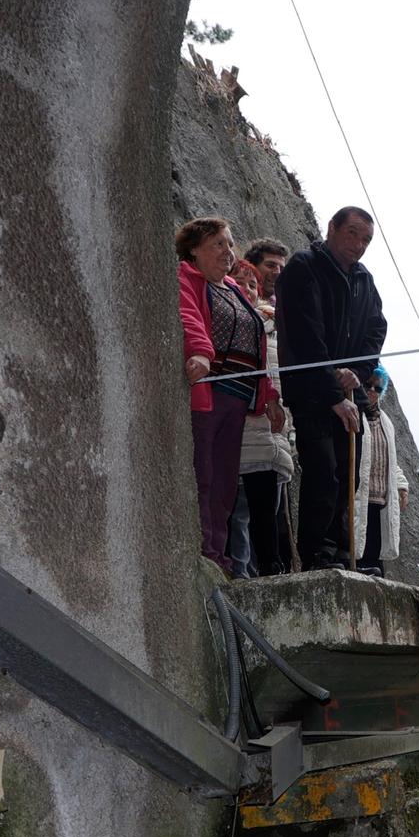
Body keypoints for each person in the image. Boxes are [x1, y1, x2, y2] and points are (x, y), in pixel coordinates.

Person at [276, 208, 387, 571]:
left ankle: (342, 552)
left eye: (366, 239)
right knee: (322, 470)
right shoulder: (304, 267)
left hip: (347, 392)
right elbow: (307, 336)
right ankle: (316, 556)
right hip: (310, 391)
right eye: (352, 234)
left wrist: (356, 372)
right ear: (332, 228)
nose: (358, 245)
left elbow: (375, 331)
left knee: (347, 474)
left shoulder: (364, 280)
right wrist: (333, 392)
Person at [175, 218, 280, 576]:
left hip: (239, 397)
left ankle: (218, 554)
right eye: (218, 244)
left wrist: (268, 396)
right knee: (204, 473)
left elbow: (257, 344)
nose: (228, 252)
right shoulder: (187, 278)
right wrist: (202, 352)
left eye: (229, 244)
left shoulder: (234, 289)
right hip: (211, 391)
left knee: (225, 481)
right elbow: (189, 318)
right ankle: (206, 551)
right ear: (194, 249)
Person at [233, 257, 295, 576]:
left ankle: (259, 568)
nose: (248, 289)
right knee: (243, 509)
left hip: (275, 432)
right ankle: (244, 570)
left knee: (267, 511)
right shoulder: (238, 322)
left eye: (253, 285)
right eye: (240, 282)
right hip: (246, 426)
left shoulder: (273, 329)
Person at [352, 367, 410, 577]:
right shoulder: (354, 414)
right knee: (360, 541)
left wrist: (401, 485)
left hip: (380, 497)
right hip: (360, 492)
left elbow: (391, 458)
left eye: (378, 387)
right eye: (368, 385)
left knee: (375, 549)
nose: (373, 391)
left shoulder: (386, 421)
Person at [243, 238, 290, 303]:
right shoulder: (235, 295)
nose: (278, 272)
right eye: (270, 266)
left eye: (282, 269)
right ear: (251, 265)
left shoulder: (285, 306)